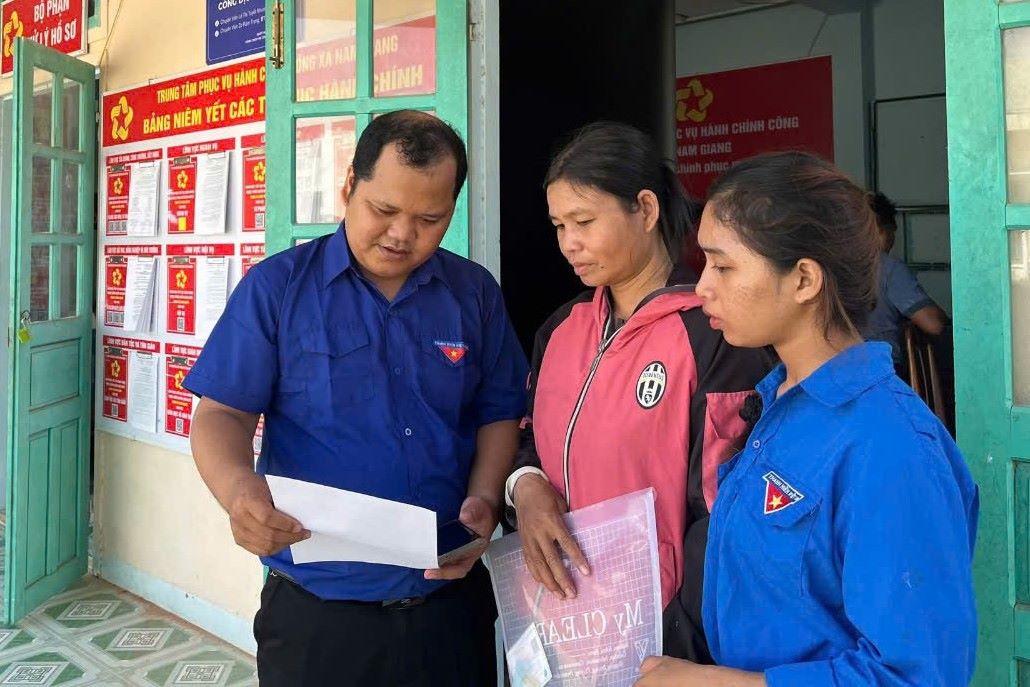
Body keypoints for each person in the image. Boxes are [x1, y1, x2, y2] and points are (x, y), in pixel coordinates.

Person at [184, 110, 528, 686]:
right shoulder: (278, 288)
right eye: (384, 211)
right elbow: (222, 412)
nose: (401, 234)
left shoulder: (474, 294)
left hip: (447, 605)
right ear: (348, 186)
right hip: (318, 618)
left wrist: (486, 500)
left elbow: (498, 411)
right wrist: (239, 493)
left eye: (429, 218)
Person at [635, 152, 978, 686]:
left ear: (803, 280)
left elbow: (915, 676)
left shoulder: (890, 448)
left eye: (723, 266)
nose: (702, 287)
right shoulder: (777, 406)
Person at [505, 122, 772, 663]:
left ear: (645, 210)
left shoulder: (714, 335)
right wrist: (525, 488)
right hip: (563, 626)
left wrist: (675, 638)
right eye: (559, 225)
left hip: (660, 637)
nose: (568, 243)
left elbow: (723, 513)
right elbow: (530, 439)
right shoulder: (559, 331)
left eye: (584, 221)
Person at [863, 191, 949, 371]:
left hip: (825, 376)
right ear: (882, 230)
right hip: (879, 374)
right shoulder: (888, 267)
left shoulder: (821, 267)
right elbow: (933, 324)